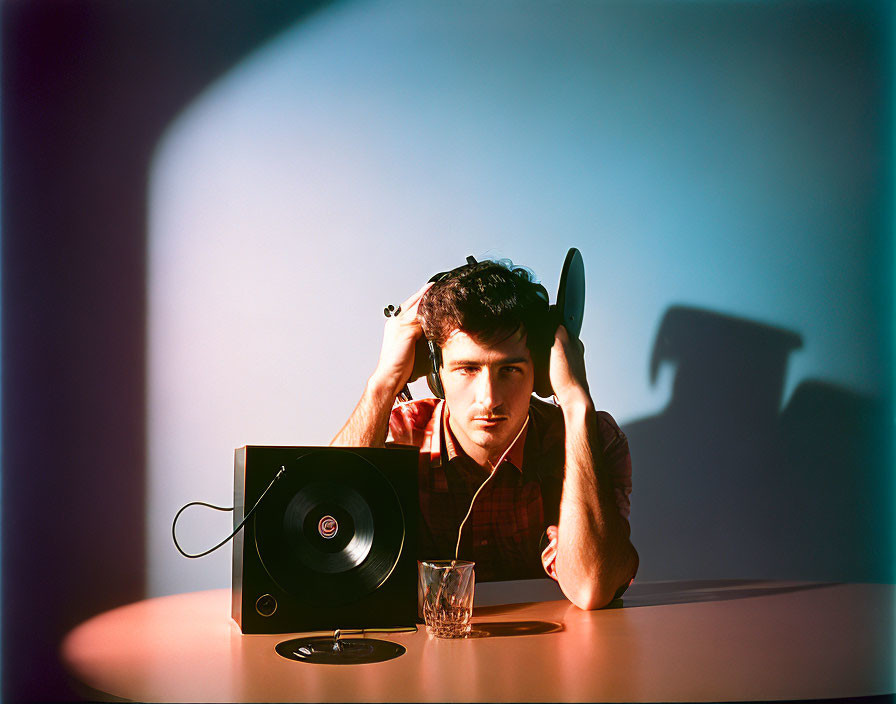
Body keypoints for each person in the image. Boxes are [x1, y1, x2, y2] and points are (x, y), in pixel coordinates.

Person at [331, 258, 638, 610]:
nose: (489, 399)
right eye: (467, 369)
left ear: (541, 372)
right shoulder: (401, 433)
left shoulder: (593, 438)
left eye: (510, 369)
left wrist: (574, 401)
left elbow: (590, 588)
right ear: (436, 373)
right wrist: (383, 384)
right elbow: (325, 533)